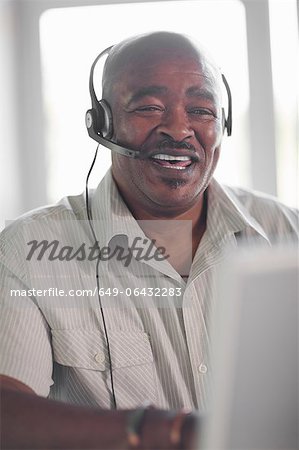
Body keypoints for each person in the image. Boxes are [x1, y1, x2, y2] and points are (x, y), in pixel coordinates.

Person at [0, 31, 297, 450]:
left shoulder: (288, 235)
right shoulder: (27, 251)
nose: (179, 129)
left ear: (222, 124)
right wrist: (171, 433)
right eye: (149, 107)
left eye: (201, 110)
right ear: (102, 124)